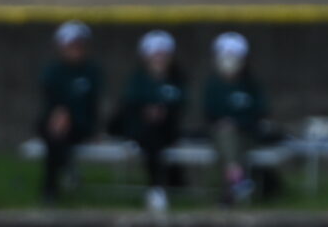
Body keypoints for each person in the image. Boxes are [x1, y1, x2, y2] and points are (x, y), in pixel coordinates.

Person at [110, 29, 187, 216]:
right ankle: (157, 187)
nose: (159, 58)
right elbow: (128, 105)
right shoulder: (137, 80)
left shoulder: (177, 79)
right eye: (155, 54)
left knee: (152, 135)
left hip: (166, 130)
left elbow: (180, 106)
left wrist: (162, 112)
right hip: (143, 128)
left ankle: (157, 187)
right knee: (146, 132)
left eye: (163, 54)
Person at [201, 32, 275, 205]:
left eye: (234, 57)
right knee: (227, 138)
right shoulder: (213, 86)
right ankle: (237, 182)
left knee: (230, 144)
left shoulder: (251, 85)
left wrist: (236, 122)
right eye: (225, 57)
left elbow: (260, 112)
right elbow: (209, 113)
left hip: (247, 133)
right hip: (220, 135)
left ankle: (231, 190)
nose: (229, 62)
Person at [35, 21, 104, 203]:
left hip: (80, 124)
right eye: (71, 44)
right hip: (55, 123)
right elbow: (51, 101)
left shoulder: (92, 72)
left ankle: (52, 185)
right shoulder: (53, 72)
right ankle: (60, 177)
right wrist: (59, 115)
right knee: (54, 134)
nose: (76, 49)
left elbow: (92, 105)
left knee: (57, 137)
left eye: (79, 44)